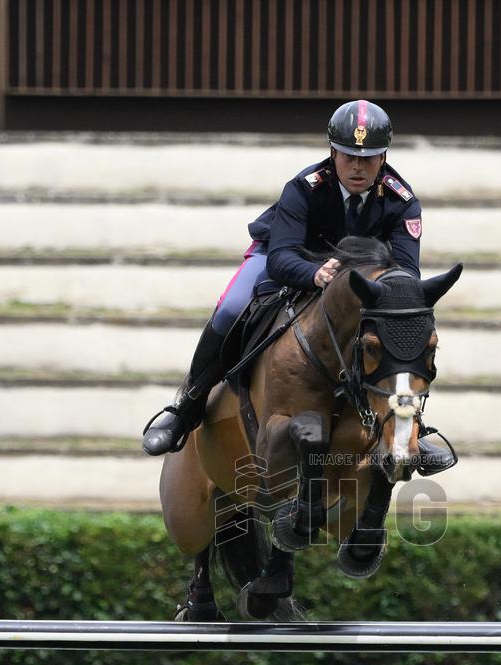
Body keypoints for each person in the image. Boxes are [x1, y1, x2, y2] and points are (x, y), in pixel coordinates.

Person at [142, 100, 449, 474]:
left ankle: (413, 427)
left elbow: (406, 274)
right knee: (230, 307)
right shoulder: (305, 188)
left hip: (355, 285)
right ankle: (186, 408)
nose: (357, 166)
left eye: (367, 158)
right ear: (332, 151)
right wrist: (315, 274)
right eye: (349, 155)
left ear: (383, 157)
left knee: (404, 325)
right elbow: (281, 258)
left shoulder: (401, 201)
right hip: (291, 259)